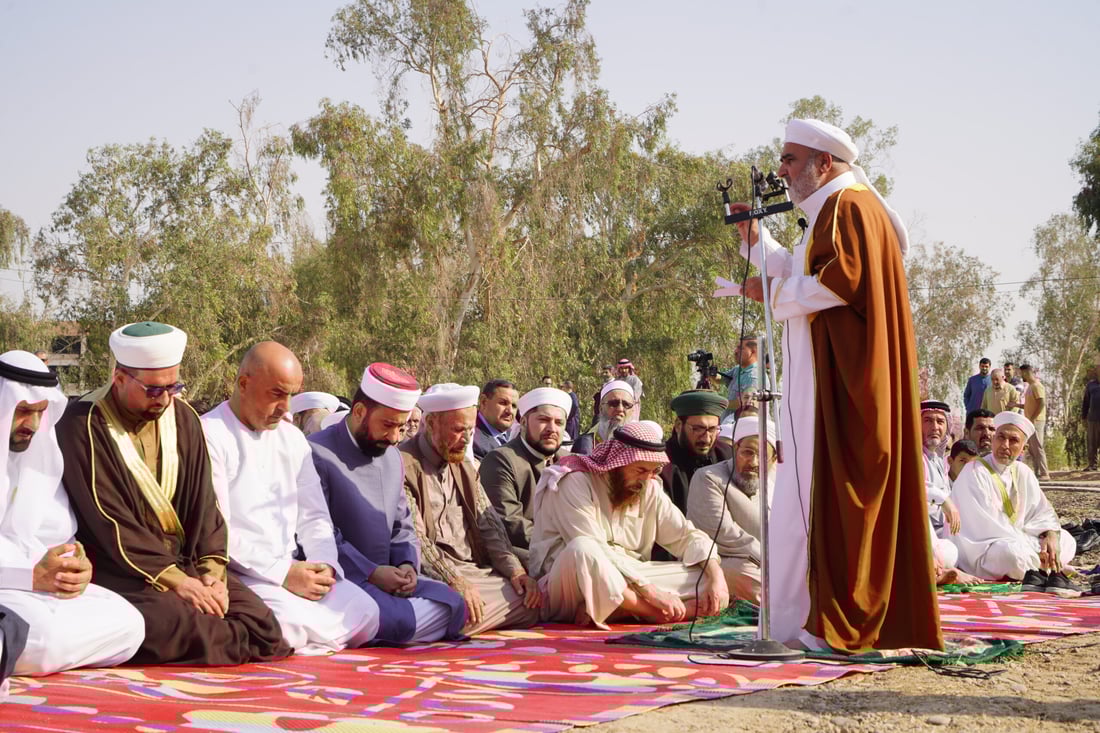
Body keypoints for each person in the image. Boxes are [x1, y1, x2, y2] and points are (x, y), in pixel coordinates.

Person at [732, 119, 940, 651]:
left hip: (841, 390)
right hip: (820, 380)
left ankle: (838, 624)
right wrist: (753, 239)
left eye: (790, 159)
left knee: (830, 496)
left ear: (824, 163)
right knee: (801, 498)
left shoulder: (849, 206)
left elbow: (840, 282)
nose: (782, 170)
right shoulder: (830, 212)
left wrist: (771, 294)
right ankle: (801, 620)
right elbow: (803, 269)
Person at [57, 322, 290, 665]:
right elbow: (110, 522)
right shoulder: (81, 426)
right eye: (153, 390)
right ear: (119, 379)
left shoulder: (184, 418)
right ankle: (224, 642)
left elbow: (205, 506)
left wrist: (212, 574)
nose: (165, 398)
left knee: (264, 624)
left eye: (173, 386)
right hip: (121, 570)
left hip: (185, 563)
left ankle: (227, 640)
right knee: (185, 625)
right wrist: (178, 582)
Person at [201, 343, 381, 654]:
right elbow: (219, 530)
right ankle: (308, 642)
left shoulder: (292, 439)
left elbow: (314, 516)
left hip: (296, 571)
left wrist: (324, 564)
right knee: (282, 623)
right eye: (277, 394)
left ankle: (305, 645)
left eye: (292, 395)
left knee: (367, 612)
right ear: (244, 384)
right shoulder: (209, 434)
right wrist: (282, 574)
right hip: (245, 575)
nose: (286, 407)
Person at [0, 350, 144, 676]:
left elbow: (58, 537)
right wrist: (28, 576)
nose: (33, 425)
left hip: (34, 592)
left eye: (40, 412)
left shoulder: (40, 454)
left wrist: (75, 567)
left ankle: (14, 651)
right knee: (45, 638)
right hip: (10, 588)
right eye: (23, 412)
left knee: (130, 622)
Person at [309, 364, 466, 643]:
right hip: (344, 576)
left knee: (454, 604)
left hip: (391, 580)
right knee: (395, 619)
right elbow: (320, 533)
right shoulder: (315, 452)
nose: (395, 437)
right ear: (359, 412)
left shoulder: (392, 457)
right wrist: (371, 572)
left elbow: (402, 523)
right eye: (388, 425)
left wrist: (407, 564)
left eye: (402, 427)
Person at [530, 421, 728, 628]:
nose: (646, 479)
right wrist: (652, 593)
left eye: (653, 471)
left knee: (704, 578)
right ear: (617, 463)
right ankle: (651, 612)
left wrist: (716, 576)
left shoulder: (648, 486)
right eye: (640, 470)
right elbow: (593, 548)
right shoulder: (574, 481)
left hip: (631, 579)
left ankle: (619, 609)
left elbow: (686, 536)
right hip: (569, 583)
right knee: (583, 548)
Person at [401, 383, 541, 635]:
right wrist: (455, 581)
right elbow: (416, 540)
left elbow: (490, 528)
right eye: (457, 430)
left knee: (532, 598)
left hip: (475, 573)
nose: (466, 438)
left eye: (469, 429)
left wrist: (516, 571)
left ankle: (454, 620)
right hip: (434, 575)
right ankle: (448, 617)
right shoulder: (403, 466)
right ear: (431, 424)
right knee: (458, 602)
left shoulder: (464, 466)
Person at [949, 412, 1076, 588]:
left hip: (1023, 543)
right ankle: (1047, 567)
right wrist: (1031, 547)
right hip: (985, 549)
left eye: (1013, 440)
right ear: (993, 439)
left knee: (1067, 540)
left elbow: (1041, 512)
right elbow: (985, 527)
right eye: (1000, 437)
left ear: (1023, 448)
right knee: (1011, 554)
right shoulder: (974, 471)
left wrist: (1050, 535)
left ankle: (1040, 567)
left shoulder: (1024, 472)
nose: (1005, 445)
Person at [686, 416, 776, 602]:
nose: (753, 462)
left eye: (762, 455)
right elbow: (725, 534)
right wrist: (773, 558)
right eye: (747, 452)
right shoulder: (708, 478)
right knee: (754, 578)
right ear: (735, 449)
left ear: (773, 459)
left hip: (767, 561)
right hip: (723, 560)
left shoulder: (776, 482)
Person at [480, 387, 572, 564]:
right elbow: (510, 524)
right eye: (544, 420)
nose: (552, 429)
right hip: (525, 553)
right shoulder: (502, 460)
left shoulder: (570, 461)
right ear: (523, 422)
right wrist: (562, 543)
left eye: (559, 423)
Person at [660, 390, 731, 515]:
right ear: (678, 426)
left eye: (712, 429)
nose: (706, 439)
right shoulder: (662, 464)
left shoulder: (727, 456)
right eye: (698, 429)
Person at [920, 400, 962, 539]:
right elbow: (917, 486)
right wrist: (944, 501)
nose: (935, 427)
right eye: (928, 421)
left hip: (944, 529)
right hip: (926, 531)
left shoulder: (939, 461)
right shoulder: (913, 457)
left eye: (940, 421)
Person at [573, 380, 635, 455]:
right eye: (613, 403)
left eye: (626, 405)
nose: (620, 409)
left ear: (632, 410)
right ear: (601, 408)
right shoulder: (585, 444)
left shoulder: (639, 444)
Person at [472, 379, 518, 459]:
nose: (510, 411)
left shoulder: (516, 436)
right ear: (484, 402)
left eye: (514, 406)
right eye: (503, 403)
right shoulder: (471, 439)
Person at [1019, 365, 1050, 480]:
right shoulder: (1030, 387)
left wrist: (1033, 418)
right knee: (1032, 449)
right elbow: (1029, 405)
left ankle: (1044, 473)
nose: (1021, 376)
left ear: (1026, 373)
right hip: (1030, 421)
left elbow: (1041, 403)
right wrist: (1016, 405)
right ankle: (1037, 473)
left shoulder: (1037, 386)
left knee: (1038, 447)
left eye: (1022, 373)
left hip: (1036, 421)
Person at [719, 337, 759, 423]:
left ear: (752, 352)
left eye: (740, 348)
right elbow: (721, 380)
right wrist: (708, 372)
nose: (735, 351)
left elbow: (745, 402)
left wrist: (718, 404)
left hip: (744, 429)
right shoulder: (738, 369)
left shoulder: (754, 376)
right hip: (731, 427)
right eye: (736, 347)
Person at [1083, 367, 1100, 471]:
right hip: (1093, 418)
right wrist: (1083, 417)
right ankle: (1092, 465)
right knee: (1092, 443)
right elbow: (1086, 402)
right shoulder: (1091, 385)